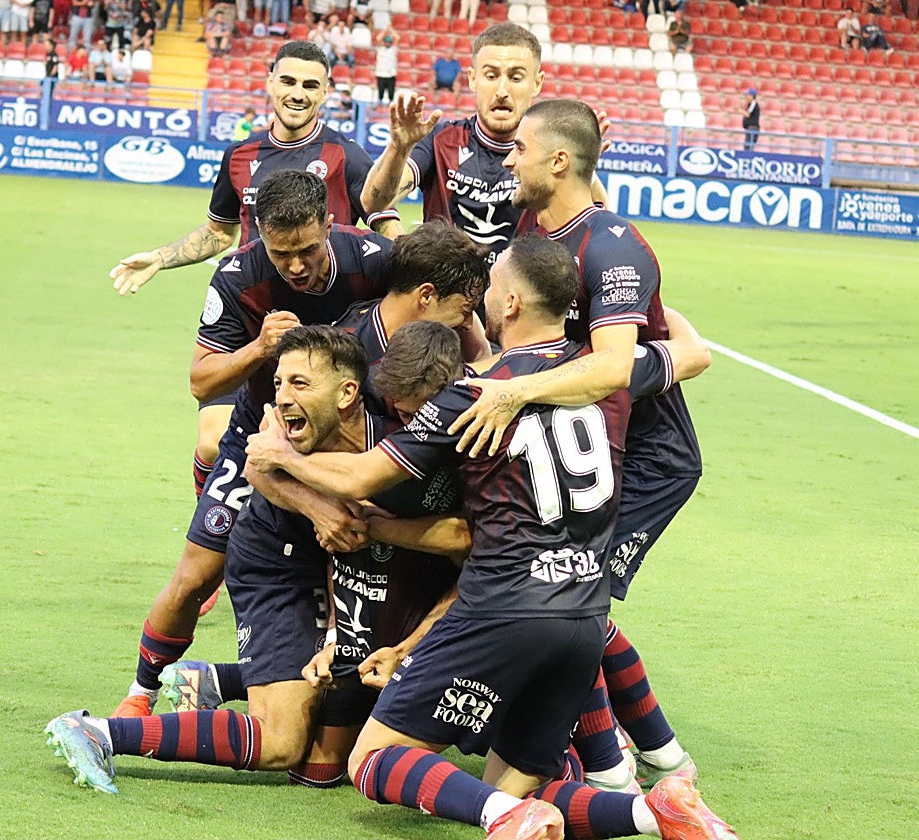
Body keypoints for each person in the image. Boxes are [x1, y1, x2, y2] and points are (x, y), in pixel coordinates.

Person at [243, 236, 737, 840]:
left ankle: (509, 814)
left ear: (509, 304)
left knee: (371, 760)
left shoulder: (475, 394)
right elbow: (689, 349)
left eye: (493, 284)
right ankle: (653, 811)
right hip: (584, 615)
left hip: (501, 607)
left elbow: (364, 474)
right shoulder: (610, 374)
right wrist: (645, 302)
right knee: (513, 780)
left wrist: (279, 456)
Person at [46, 326, 471, 793]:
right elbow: (256, 468)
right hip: (276, 558)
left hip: (359, 560)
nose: (283, 399)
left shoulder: (394, 437)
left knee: (322, 770)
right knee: (282, 744)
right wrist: (317, 508)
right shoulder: (278, 430)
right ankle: (99, 732)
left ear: (349, 393)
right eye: (278, 384)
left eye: (300, 385)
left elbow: (443, 535)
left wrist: (339, 631)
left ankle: (215, 680)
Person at [445, 98, 706, 793]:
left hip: (646, 455)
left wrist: (513, 392)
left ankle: (618, 769)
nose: (507, 156)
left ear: (558, 160)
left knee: (572, 599)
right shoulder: (537, 224)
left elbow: (614, 367)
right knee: (561, 595)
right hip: (582, 438)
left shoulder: (614, 245)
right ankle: (649, 755)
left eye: (521, 148)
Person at [108, 170, 397, 720]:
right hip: (261, 433)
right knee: (195, 574)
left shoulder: (373, 260)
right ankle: (140, 693)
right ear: (260, 235)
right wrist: (258, 349)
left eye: (308, 250)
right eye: (281, 252)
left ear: (330, 226)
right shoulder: (239, 276)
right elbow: (201, 381)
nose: (295, 266)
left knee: (377, 570)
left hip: (351, 439)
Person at [106, 41, 402, 515]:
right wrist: (161, 258)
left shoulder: (345, 155)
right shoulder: (239, 156)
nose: (298, 93)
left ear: (327, 92)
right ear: (270, 83)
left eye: (311, 84)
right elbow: (220, 232)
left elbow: (384, 224)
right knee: (211, 443)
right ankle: (213, 519)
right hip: (250, 318)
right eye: (288, 81)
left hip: (325, 321)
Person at [360, 22, 608, 321]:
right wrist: (399, 149)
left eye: (516, 77)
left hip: (518, 318)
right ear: (473, 79)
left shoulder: (553, 155)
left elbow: (598, 221)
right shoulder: (440, 141)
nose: (502, 90)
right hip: (442, 313)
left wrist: (584, 160)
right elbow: (373, 202)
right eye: (491, 75)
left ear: (537, 83)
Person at [374, 27, 398, 104]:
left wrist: (391, 29)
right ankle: (379, 105)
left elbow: (397, 38)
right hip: (381, 74)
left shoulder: (393, 49)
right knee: (380, 93)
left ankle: (391, 106)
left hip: (391, 74)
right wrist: (385, 30)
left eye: (389, 42)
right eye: (386, 42)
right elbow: (378, 39)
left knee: (391, 93)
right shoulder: (380, 49)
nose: (387, 44)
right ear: (384, 42)